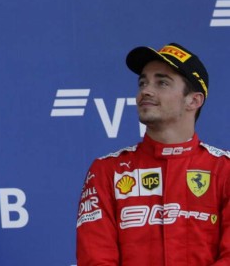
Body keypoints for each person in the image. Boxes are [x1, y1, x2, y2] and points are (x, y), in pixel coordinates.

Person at [76, 43, 230, 265]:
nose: (146, 91)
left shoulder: (224, 169)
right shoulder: (106, 171)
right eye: (143, 83)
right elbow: (95, 258)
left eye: (162, 83)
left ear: (193, 100)